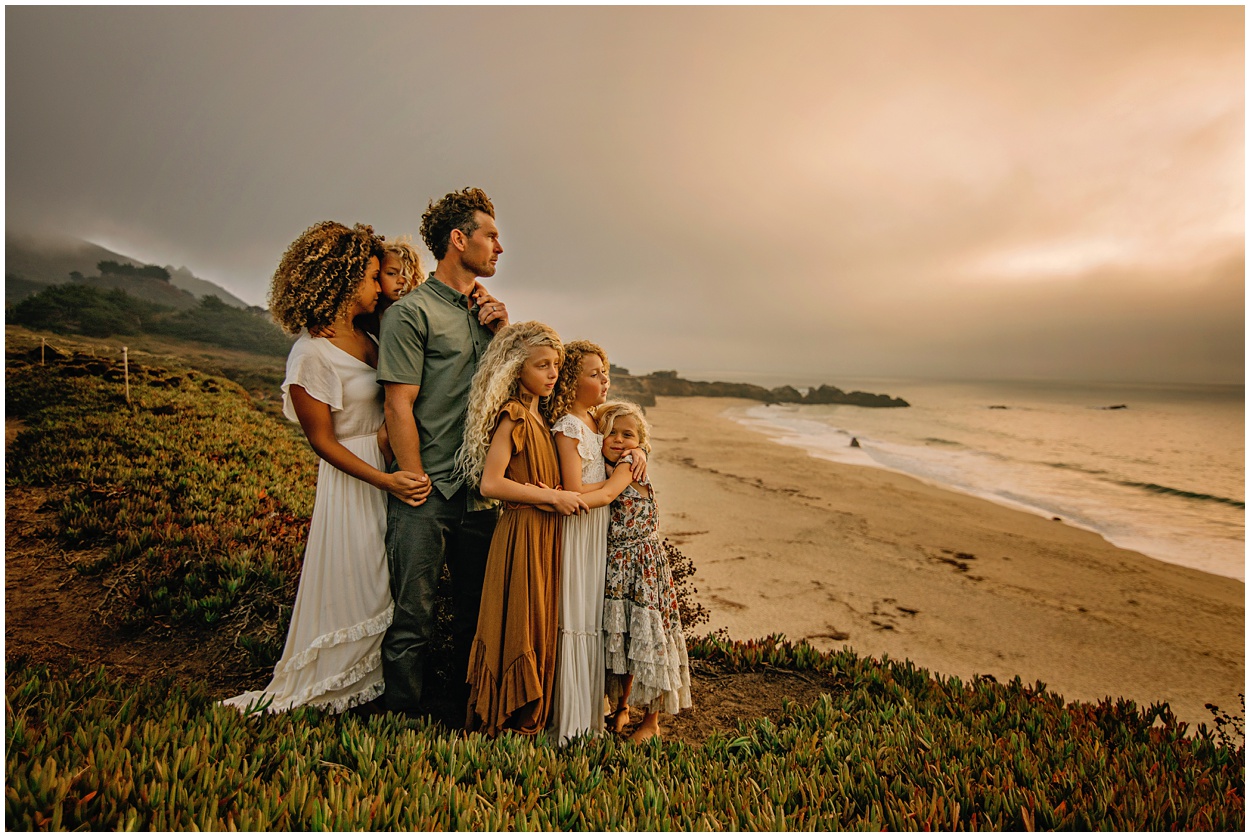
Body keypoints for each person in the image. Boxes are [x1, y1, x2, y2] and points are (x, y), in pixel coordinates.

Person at [221, 221, 427, 715]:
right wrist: (384, 478)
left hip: (384, 465)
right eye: (374, 276)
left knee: (382, 580)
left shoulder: (369, 334)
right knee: (356, 579)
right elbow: (322, 442)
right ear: (344, 278)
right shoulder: (310, 353)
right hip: (354, 479)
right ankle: (335, 686)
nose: (381, 286)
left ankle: (372, 685)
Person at [376, 187, 510, 716]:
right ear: (459, 240)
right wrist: (412, 478)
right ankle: (401, 719)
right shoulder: (410, 314)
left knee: (478, 614)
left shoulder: (489, 312)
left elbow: (507, 398)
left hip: (481, 491)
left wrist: (503, 332)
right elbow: (398, 405)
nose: (500, 247)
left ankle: (465, 715)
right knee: (414, 614)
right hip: (426, 491)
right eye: (491, 236)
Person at [456, 321, 589, 737]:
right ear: (516, 369)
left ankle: (530, 717)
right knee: (520, 623)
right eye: (542, 365)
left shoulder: (543, 417)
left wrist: (635, 448)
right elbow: (491, 483)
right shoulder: (514, 415)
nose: (552, 373)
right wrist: (551, 498)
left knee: (540, 622)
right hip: (521, 534)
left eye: (556, 365)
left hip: (545, 535)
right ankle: (508, 721)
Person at [544, 341, 646, 743]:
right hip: (578, 529)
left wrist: (637, 451)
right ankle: (571, 723)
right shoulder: (568, 426)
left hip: (598, 531)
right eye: (595, 373)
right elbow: (573, 491)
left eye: (606, 372)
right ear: (571, 380)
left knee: (592, 620)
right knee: (576, 618)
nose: (605, 380)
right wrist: (622, 475)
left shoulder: (594, 420)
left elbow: (627, 434)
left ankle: (591, 715)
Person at [597, 401, 692, 742]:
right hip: (620, 567)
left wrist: (557, 493)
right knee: (625, 642)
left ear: (640, 442)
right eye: (611, 433)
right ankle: (622, 707)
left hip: (642, 566)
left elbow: (605, 496)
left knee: (648, 643)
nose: (619, 440)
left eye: (628, 435)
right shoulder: (607, 465)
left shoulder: (627, 465)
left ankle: (651, 722)